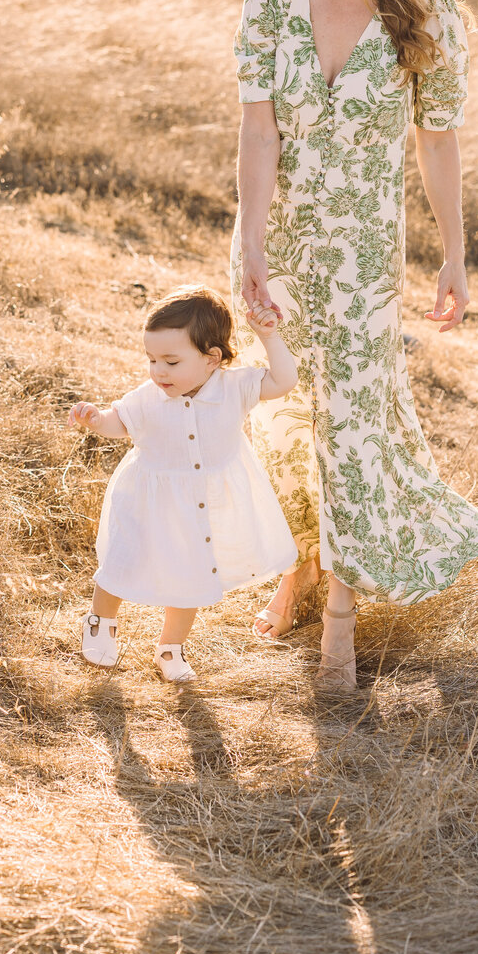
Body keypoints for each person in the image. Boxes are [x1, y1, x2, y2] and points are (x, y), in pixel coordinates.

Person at [233, 0, 478, 692]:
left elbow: (439, 140)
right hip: (279, 242)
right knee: (282, 406)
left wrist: (455, 254)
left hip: (361, 257)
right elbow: (257, 129)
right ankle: (302, 562)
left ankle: (340, 618)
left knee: (351, 419)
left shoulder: (426, 9)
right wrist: (252, 246)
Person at [70, 285, 299, 682]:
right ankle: (100, 623)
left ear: (212, 359)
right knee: (121, 563)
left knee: (192, 574)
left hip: (199, 505)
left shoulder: (235, 387)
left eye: (171, 361)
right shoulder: (148, 397)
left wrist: (269, 335)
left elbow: (284, 380)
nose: (158, 371)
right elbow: (117, 424)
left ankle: (170, 648)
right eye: (152, 359)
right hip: (146, 500)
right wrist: (95, 419)